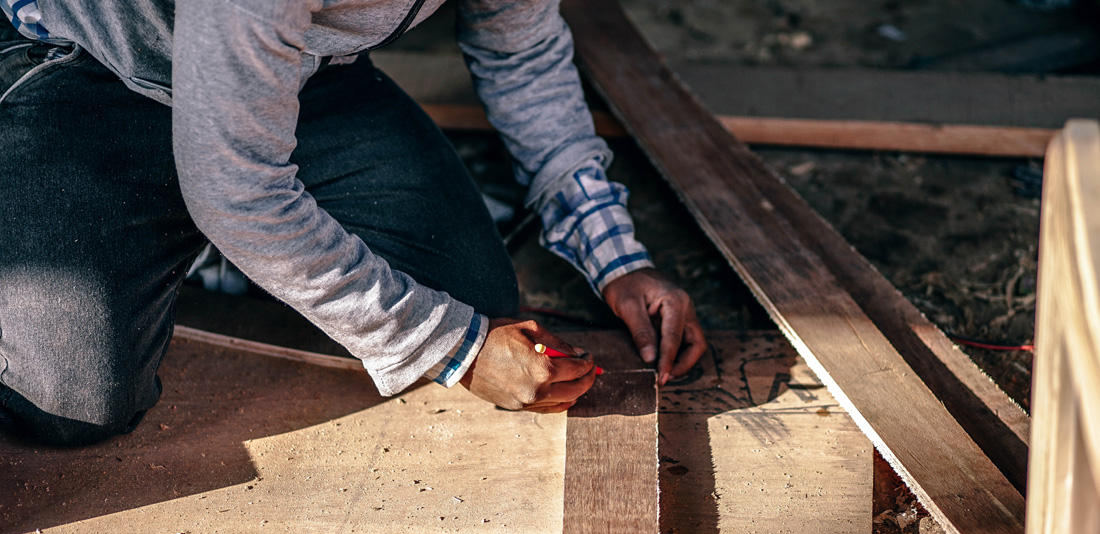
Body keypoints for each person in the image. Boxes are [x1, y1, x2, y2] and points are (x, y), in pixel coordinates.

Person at [0, 0, 707, 447]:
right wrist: (454, 347)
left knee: (474, 299)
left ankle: (224, 255)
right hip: (94, 71)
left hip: (296, 75)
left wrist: (616, 256)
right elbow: (238, 189)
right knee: (70, 404)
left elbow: (520, 54)